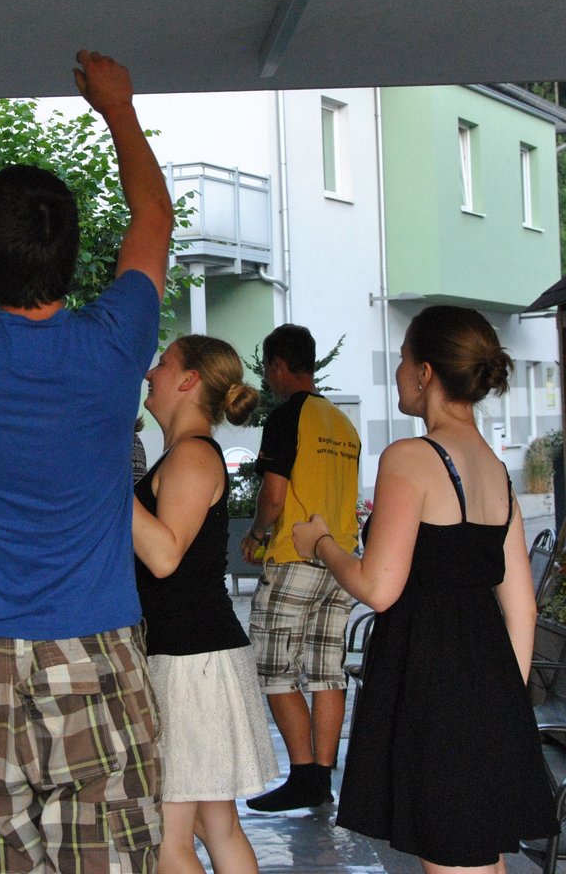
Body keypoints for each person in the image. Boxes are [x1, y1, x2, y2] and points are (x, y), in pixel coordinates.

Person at [0, 49, 174, 873]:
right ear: (72, 252)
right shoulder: (115, 341)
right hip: (98, 653)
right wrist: (118, 108)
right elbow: (153, 218)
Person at [290, 305, 557, 872]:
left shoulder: (411, 458)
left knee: (453, 857)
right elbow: (523, 609)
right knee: (477, 854)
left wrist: (321, 544)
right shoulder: (495, 468)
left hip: (432, 685)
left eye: (403, 359)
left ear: (425, 373)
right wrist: (500, 707)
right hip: (490, 685)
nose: (397, 372)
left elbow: (378, 588)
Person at [132, 335, 276, 874]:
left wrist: (103, 484)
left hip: (189, 662)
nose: (150, 372)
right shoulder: (186, 453)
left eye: (163, 364)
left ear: (189, 380)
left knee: (168, 842)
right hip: (196, 656)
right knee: (216, 825)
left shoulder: (192, 454)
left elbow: (164, 555)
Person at [239, 323, 362, 812]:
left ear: (277, 365)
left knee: (274, 668)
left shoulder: (287, 415)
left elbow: (273, 496)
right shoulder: (342, 423)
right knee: (326, 671)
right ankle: (321, 778)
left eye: (268, 369)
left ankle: (303, 774)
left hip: (294, 557)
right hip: (340, 559)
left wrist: (255, 535)